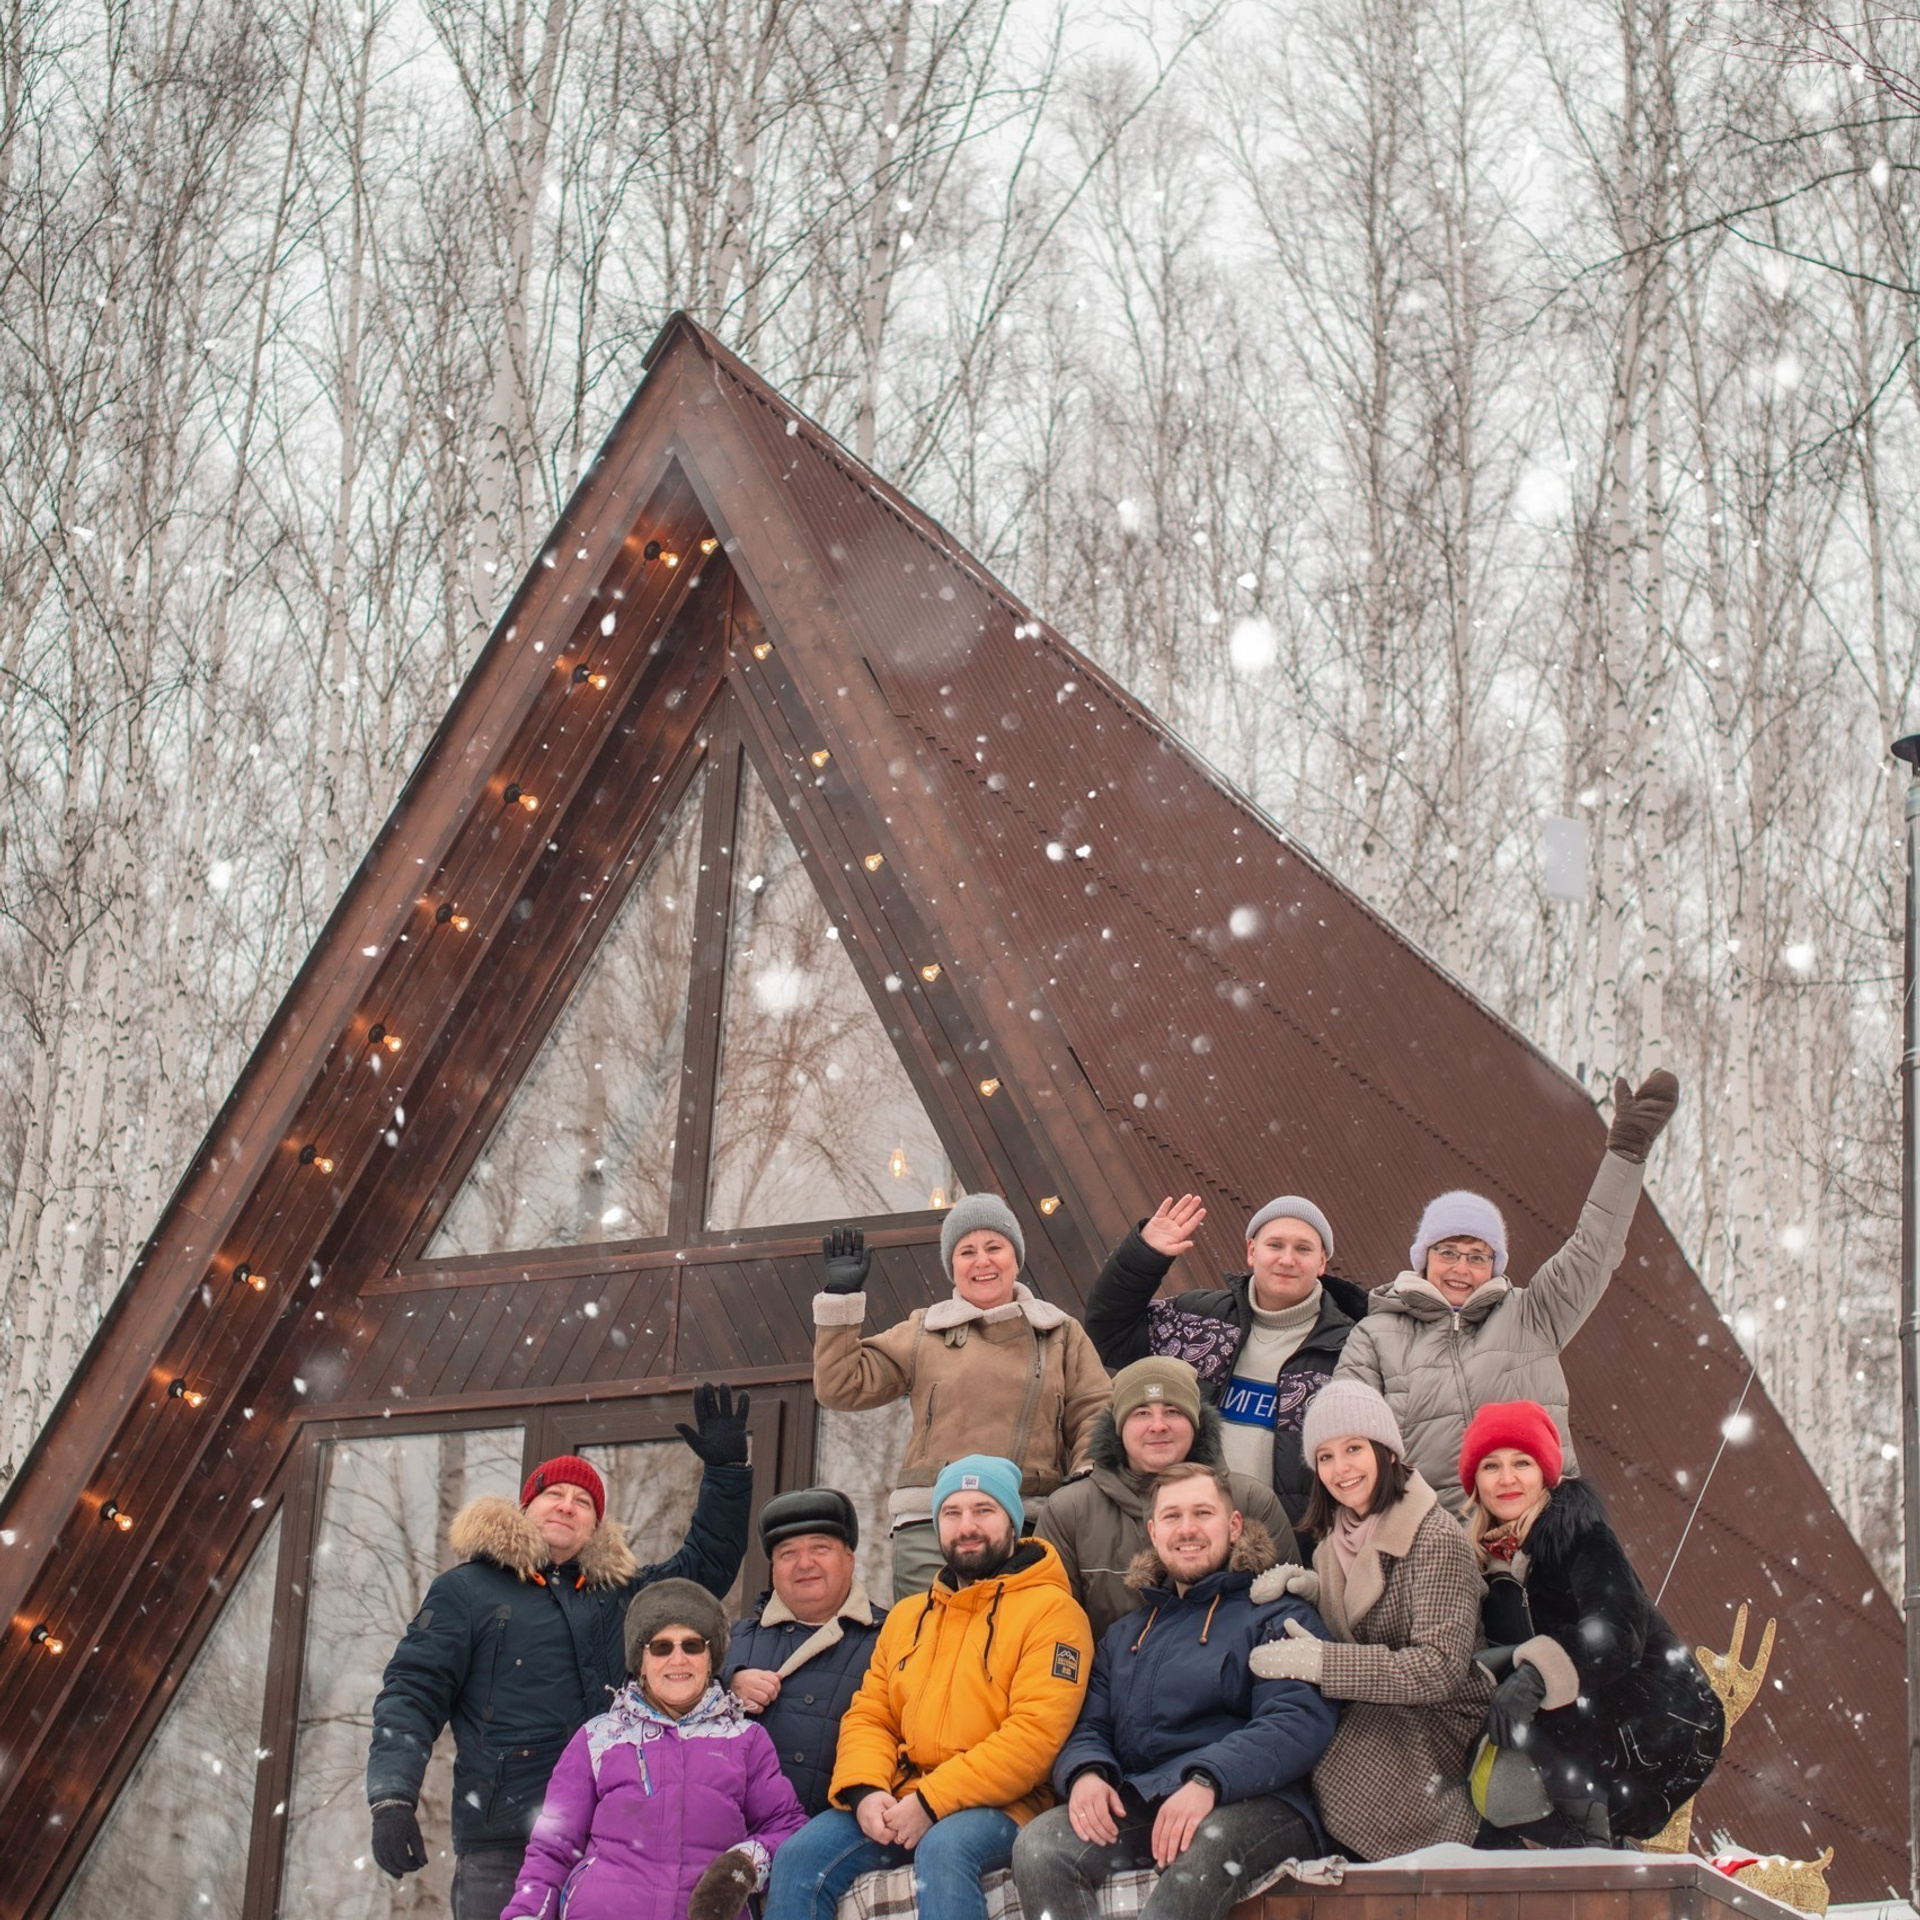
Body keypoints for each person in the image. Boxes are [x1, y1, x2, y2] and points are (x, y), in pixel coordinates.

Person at [367, 1386, 755, 1920]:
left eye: (584, 1502)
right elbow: (412, 1694)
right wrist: (392, 1798)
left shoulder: (621, 1594)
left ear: (596, 1526)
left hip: (611, 1843)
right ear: (527, 1507)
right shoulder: (468, 1591)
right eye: (556, 1495)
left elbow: (705, 1567)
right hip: (505, 1841)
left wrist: (728, 1474)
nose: (568, 1507)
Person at [764, 1455, 1094, 1920]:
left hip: (1004, 1806)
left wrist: (931, 1801)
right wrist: (865, 1791)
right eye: (952, 1513)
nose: (967, 1526)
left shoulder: (1053, 1613)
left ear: (1014, 1523)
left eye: (984, 1510)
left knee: (944, 1848)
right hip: (903, 1795)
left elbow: (1034, 1738)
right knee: (800, 1856)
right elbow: (870, 1715)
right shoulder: (908, 1616)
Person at [1336, 1071, 1679, 1511]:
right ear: (1423, 1259)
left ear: (1495, 1265)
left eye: (1478, 1256)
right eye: (1448, 1252)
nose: (1462, 1268)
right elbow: (1347, 1436)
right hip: (1436, 1542)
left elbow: (1595, 1249)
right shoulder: (1376, 1334)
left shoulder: (1533, 1313)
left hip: (1540, 1530)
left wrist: (1626, 1154)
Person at [1011, 1460, 1337, 1920]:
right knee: (1042, 1845)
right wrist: (1086, 1773)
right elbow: (1088, 1723)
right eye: (1172, 1517)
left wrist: (1208, 1779)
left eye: (1203, 1514)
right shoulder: (1126, 1634)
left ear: (1234, 1524)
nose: (1187, 1529)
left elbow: (1296, 1720)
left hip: (1257, 1803)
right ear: (1153, 1531)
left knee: (1207, 1845)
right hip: (1147, 1798)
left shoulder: (1276, 1614)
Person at [813, 1193, 1110, 1598]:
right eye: (966, 1251)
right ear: (952, 1266)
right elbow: (841, 1384)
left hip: (1029, 1522)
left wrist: (1085, 1480)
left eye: (994, 1247)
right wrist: (840, 1300)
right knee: (929, 1649)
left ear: (1015, 1257)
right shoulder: (925, 1331)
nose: (982, 1261)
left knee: (1015, 1649)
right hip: (932, 1523)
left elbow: (1095, 1411)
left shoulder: (1058, 1332)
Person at [1459, 1400, 1724, 1847]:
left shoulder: (1579, 1534)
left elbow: (1618, 1630)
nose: (1506, 1479)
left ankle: (1593, 1844)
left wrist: (1535, 1673)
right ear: (1475, 1482)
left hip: (1658, 1720)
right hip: (1580, 1737)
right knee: (1487, 1776)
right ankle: (1590, 1850)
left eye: (1521, 1462)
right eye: (1491, 1465)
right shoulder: (1482, 1567)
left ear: (1545, 1473)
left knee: (1511, 1742)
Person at [1246, 1380, 1491, 1859]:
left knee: (1343, 1776)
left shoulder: (1435, 1537)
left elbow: (1439, 1668)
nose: (1341, 1469)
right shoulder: (1334, 1539)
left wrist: (1325, 1665)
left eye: (1354, 1448)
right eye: (1326, 1456)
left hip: (1439, 1716)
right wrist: (1311, 1590)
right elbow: (1363, 1616)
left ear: (1388, 1453)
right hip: (1377, 1702)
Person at [503, 1577, 808, 1920]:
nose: (677, 1659)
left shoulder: (746, 1739)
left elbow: (788, 1829)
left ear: (711, 1659)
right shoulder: (597, 1737)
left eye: (692, 1645)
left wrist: (744, 1864)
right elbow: (552, 1847)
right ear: (641, 1662)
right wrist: (527, 1913)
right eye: (661, 1647)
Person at [1083, 1191, 1370, 1522]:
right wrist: (1142, 1258)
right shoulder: (1197, 1319)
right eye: (1274, 1245)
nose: (1287, 1259)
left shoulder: (1352, 1349)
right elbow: (1109, 1334)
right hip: (1183, 1533)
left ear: (1322, 1263)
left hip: (1289, 1545)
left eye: (1303, 1249)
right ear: (1251, 1251)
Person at [1037, 1355, 1298, 1638]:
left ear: (1196, 1424)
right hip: (1108, 1678)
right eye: (1141, 1413)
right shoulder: (1068, 1511)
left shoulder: (1252, 1501)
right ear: (1118, 1428)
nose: (1158, 1425)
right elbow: (1048, 1628)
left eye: (1173, 1411)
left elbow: (1290, 1615)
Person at [727, 1488, 888, 1815]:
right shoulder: (733, 1640)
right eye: (787, 1553)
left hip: (840, 1833)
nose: (804, 1563)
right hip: (734, 1831)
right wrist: (726, 1686)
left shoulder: (892, 1637)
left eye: (820, 1547)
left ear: (850, 1558)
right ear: (773, 1569)